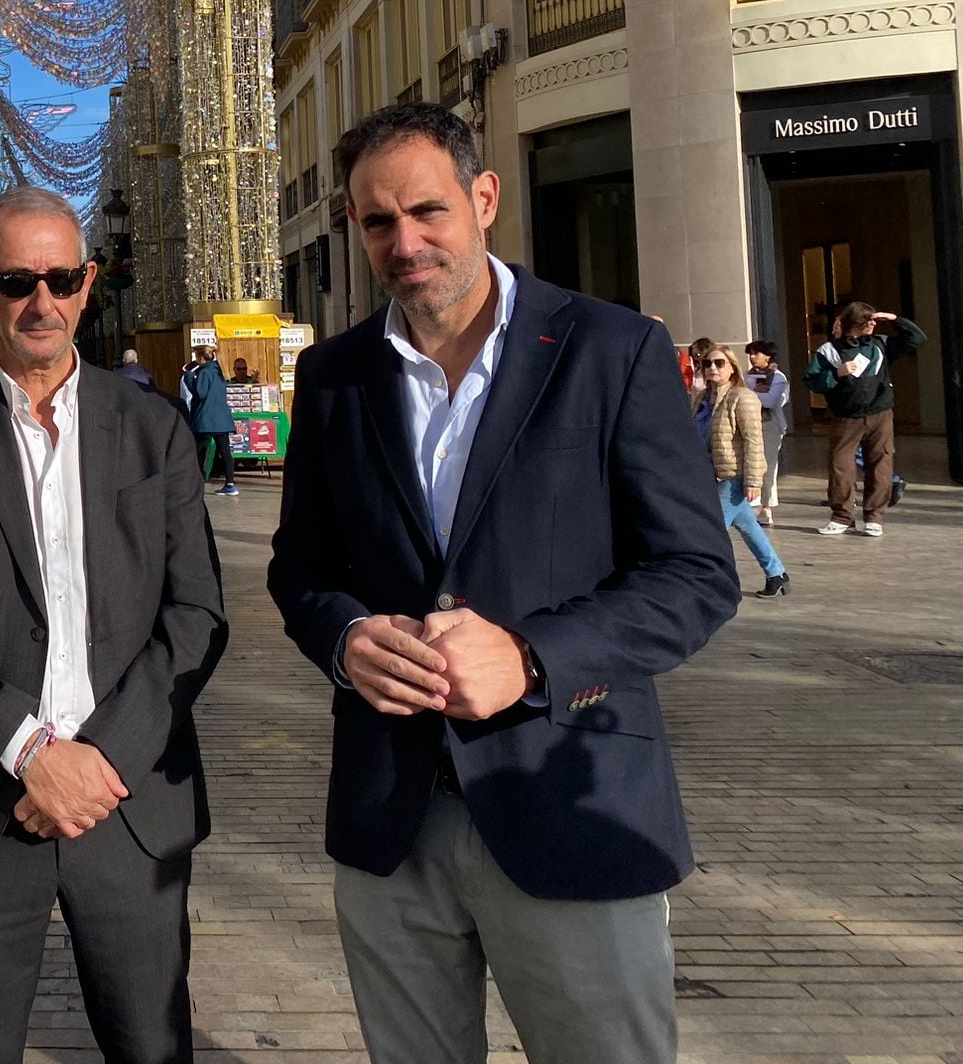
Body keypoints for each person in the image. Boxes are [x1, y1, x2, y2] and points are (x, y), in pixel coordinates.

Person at [266, 104, 739, 1064]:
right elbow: (301, 568)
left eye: (428, 212)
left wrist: (530, 658)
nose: (406, 243)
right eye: (377, 223)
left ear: (484, 199)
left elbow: (696, 575)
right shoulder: (332, 376)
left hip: (568, 800)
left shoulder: (612, 351)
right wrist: (345, 639)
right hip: (391, 815)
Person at [0, 185, 228, 1064]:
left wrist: (100, 759)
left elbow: (196, 613)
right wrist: (33, 752)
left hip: (132, 800)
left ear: (88, 284)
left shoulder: (154, 427)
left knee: (153, 1049)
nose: (41, 301)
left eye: (61, 278)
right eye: (15, 280)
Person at [804, 301, 927, 538]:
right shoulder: (829, 350)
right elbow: (812, 380)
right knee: (841, 466)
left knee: (881, 464)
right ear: (853, 322)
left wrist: (893, 319)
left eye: (873, 320)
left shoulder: (881, 344)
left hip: (880, 413)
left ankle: (874, 518)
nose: (871, 324)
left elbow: (917, 338)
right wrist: (836, 374)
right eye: (866, 320)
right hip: (845, 417)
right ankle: (841, 517)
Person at [696, 345, 789, 598]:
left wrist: (753, 480)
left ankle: (705, 585)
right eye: (707, 363)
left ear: (732, 367)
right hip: (709, 474)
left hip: (733, 476)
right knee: (748, 525)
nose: (712, 368)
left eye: (719, 363)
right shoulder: (702, 398)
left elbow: (753, 441)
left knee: (709, 531)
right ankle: (776, 573)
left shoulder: (743, 397)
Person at [744, 340, 789, 525]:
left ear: (767, 356)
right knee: (749, 463)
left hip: (770, 425)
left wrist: (750, 394)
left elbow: (771, 401)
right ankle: (750, 504)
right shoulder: (746, 376)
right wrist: (755, 393)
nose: (753, 357)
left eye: (757, 353)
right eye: (751, 354)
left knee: (768, 466)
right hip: (749, 424)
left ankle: (766, 506)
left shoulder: (778, 377)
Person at [184, 346, 238, 496]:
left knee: (199, 452)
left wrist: (188, 377)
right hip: (222, 418)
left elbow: (200, 393)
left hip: (206, 419)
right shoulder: (219, 371)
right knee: (225, 452)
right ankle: (230, 484)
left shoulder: (204, 372)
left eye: (196, 356)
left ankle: (197, 483)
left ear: (201, 358)